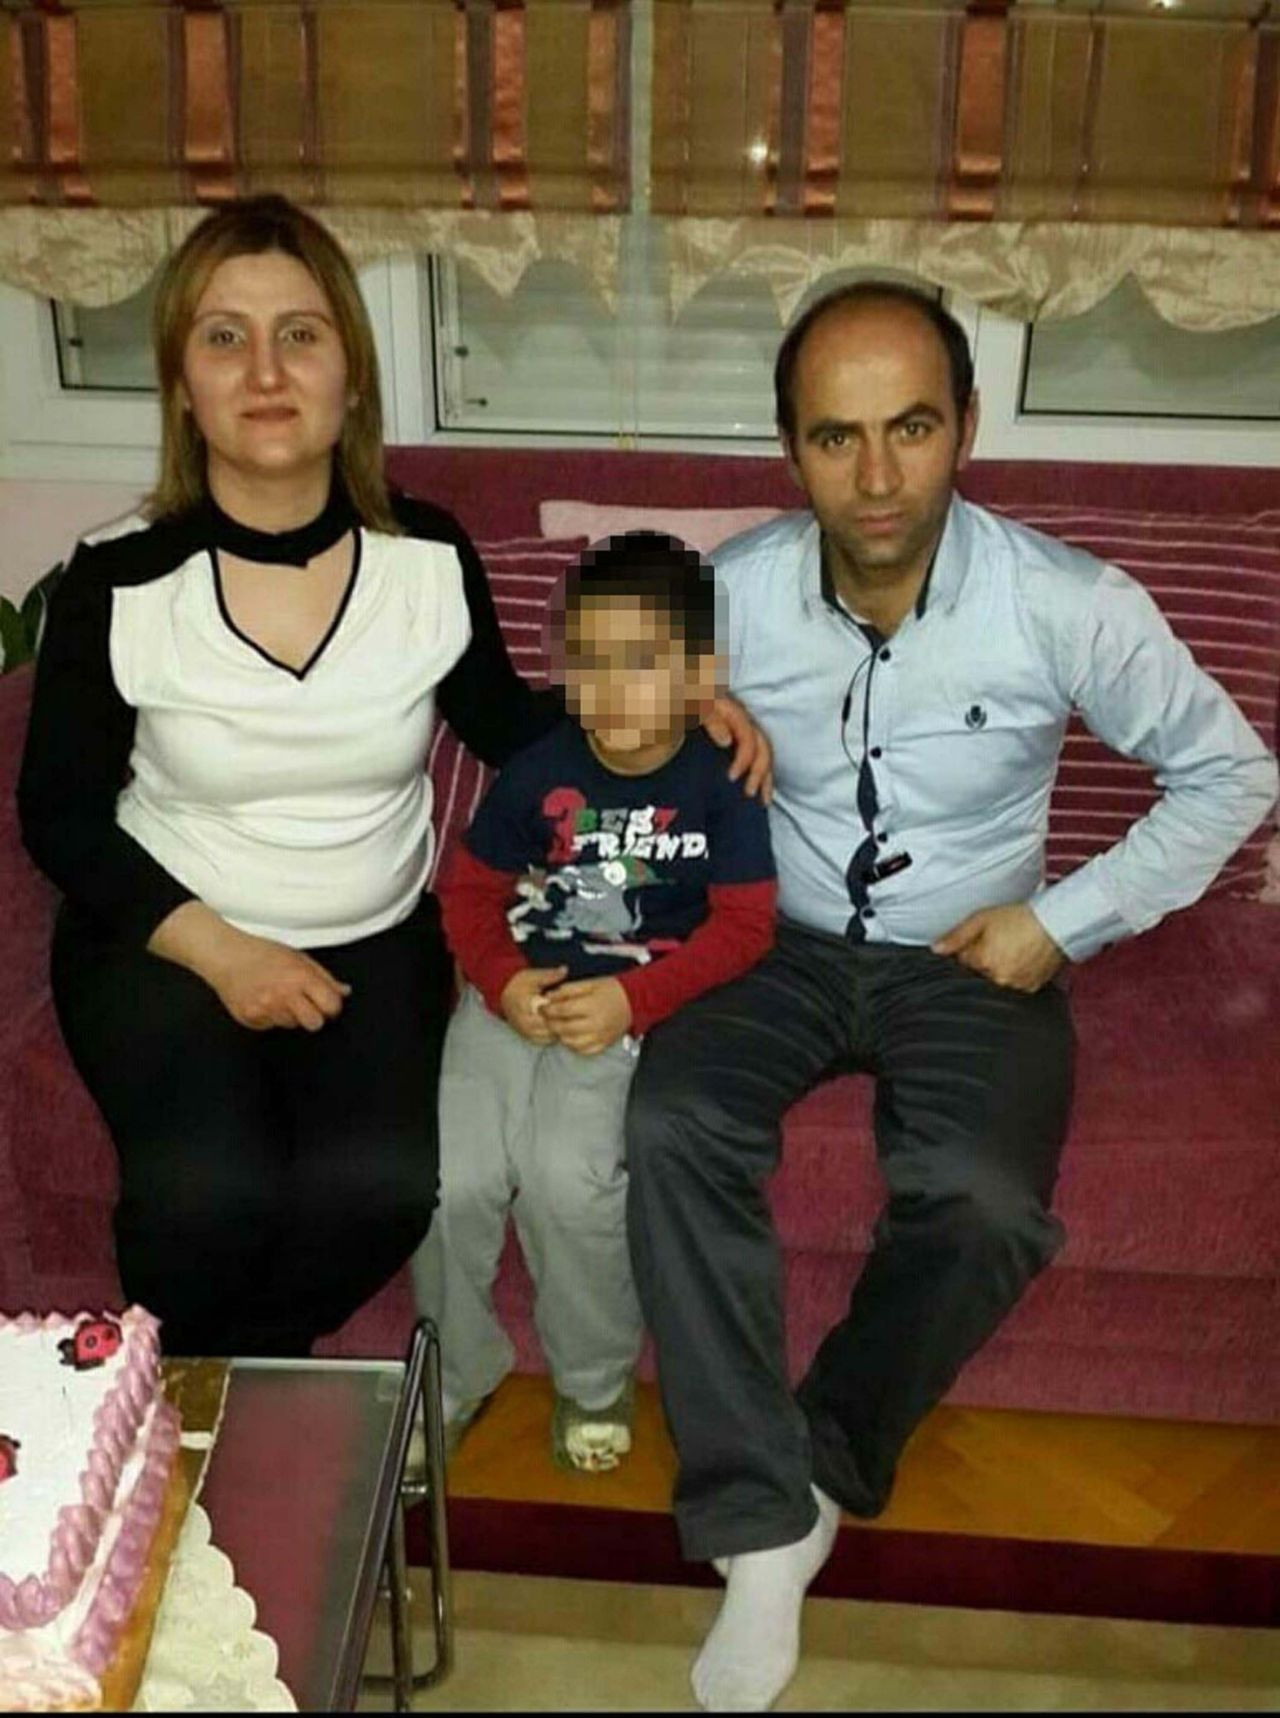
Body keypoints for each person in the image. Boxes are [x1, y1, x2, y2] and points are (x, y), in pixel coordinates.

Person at [623, 282, 1280, 1712]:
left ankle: (820, 1468)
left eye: (910, 427)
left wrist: (1063, 921)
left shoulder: (1068, 601)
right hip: (776, 940)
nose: (875, 476)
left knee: (982, 1201)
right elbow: (597, 742)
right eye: (835, 436)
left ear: (966, 425)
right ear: (789, 449)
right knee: (669, 1124)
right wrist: (669, 726)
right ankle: (754, 1512)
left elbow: (1234, 772)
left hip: (975, 951)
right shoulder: (727, 591)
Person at [16, 194, 768, 1360]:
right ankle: (204, 1409)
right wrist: (226, 954)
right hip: (168, 935)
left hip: (373, 937)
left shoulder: (423, 555)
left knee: (380, 1195)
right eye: (224, 337)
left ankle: (227, 1375)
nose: (266, 370)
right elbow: (60, 814)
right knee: (205, 1194)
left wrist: (665, 712)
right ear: (181, 384)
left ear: (351, 375)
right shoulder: (118, 578)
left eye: (299, 333)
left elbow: (505, 719)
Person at [414, 532, 778, 1472]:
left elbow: (746, 927)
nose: (611, 688)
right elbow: (468, 894)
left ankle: (592, 1378)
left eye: (642, 663)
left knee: (569, 1180)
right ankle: (454, 1369)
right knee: (450, 1178)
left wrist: (633, 1001)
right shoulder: (540, 767)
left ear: (701, 676)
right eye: (588, 662)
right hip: (508, 1001)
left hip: (623, 1015)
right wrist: (500, 980)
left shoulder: (722, 781)